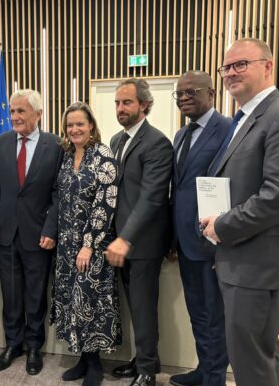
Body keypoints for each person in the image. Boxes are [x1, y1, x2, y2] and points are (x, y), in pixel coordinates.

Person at [201, 38, 279, 386]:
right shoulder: (245, 118)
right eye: (226, 67)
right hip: (243, 259)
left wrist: (224, 225)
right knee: (257, 356)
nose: (230, 73)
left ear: (268, 66)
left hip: (263, 264)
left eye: (241, 64)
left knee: (252, 360)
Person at [0, 89, 63, 375]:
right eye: (12, 111)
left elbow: (58, 191)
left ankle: (33, 347)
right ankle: (13, 344)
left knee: (35, 295)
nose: (14, 116)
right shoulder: (0, 143)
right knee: (11, 294)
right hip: (5, 233)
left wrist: (51, 228)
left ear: (38, 114)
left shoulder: (56, 145)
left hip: (39, 234)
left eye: (21, 111)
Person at [105, 78, 173, 386]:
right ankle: (145, 359)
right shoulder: (116, 140)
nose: (120, 108)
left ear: (144, 104)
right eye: (117, 103)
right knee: (135, 306)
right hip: (121, 240)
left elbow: (151, 198)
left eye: (127, 102)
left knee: (144, 308)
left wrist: (125, 237)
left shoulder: (157, 143)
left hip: (142, 242)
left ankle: (147, 371)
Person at [51, 102, 121, 386]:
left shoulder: (103, 155)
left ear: (91, 125)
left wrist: (89, 244)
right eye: (70, 125)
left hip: (93, 245)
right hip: (66, 245)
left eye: (80, 124)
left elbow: (105, 204)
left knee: (91, 301)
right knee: (72, 301)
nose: (74, 129)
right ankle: (82, 358)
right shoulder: (67, 155)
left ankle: (94, 365)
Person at [169, 71, 231, 386]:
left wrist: (224, 238)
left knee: (215, 314)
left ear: (211, 93)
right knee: (197, 311)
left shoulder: (228, 129)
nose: (183, 98)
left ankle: (215, 377)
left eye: (190, 92)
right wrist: (172, 238)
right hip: (185, 241)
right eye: (179, 94)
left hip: (212, 240)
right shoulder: (181, 135)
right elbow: (178, 189)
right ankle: (204, 369)